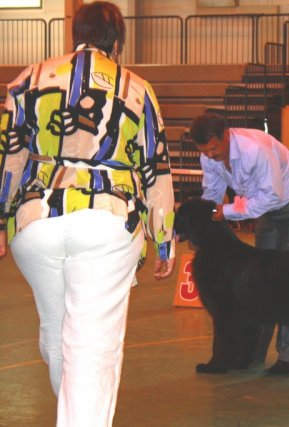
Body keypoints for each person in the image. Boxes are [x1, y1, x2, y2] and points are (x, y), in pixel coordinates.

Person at [0, 2, 175, 425]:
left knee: (58, 334)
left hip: (35, 220)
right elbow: (156, 168)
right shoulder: (136, 87)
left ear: (74, 31)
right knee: (92, 346)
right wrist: (165, 238)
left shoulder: (29, 79)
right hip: (109, 220)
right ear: (117, 41)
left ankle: (74, 412)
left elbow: (8, 155)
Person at [189, 113, 289, 375]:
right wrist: (203, 225)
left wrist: (225, 212)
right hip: (262, 207)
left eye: (214, 148)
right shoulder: (208, 156)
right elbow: (212, 194)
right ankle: (250, 353)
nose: (211, 155)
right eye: (204, 151)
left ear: (225, 135)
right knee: (259, 279)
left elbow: (271, 196)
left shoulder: (255, 149)